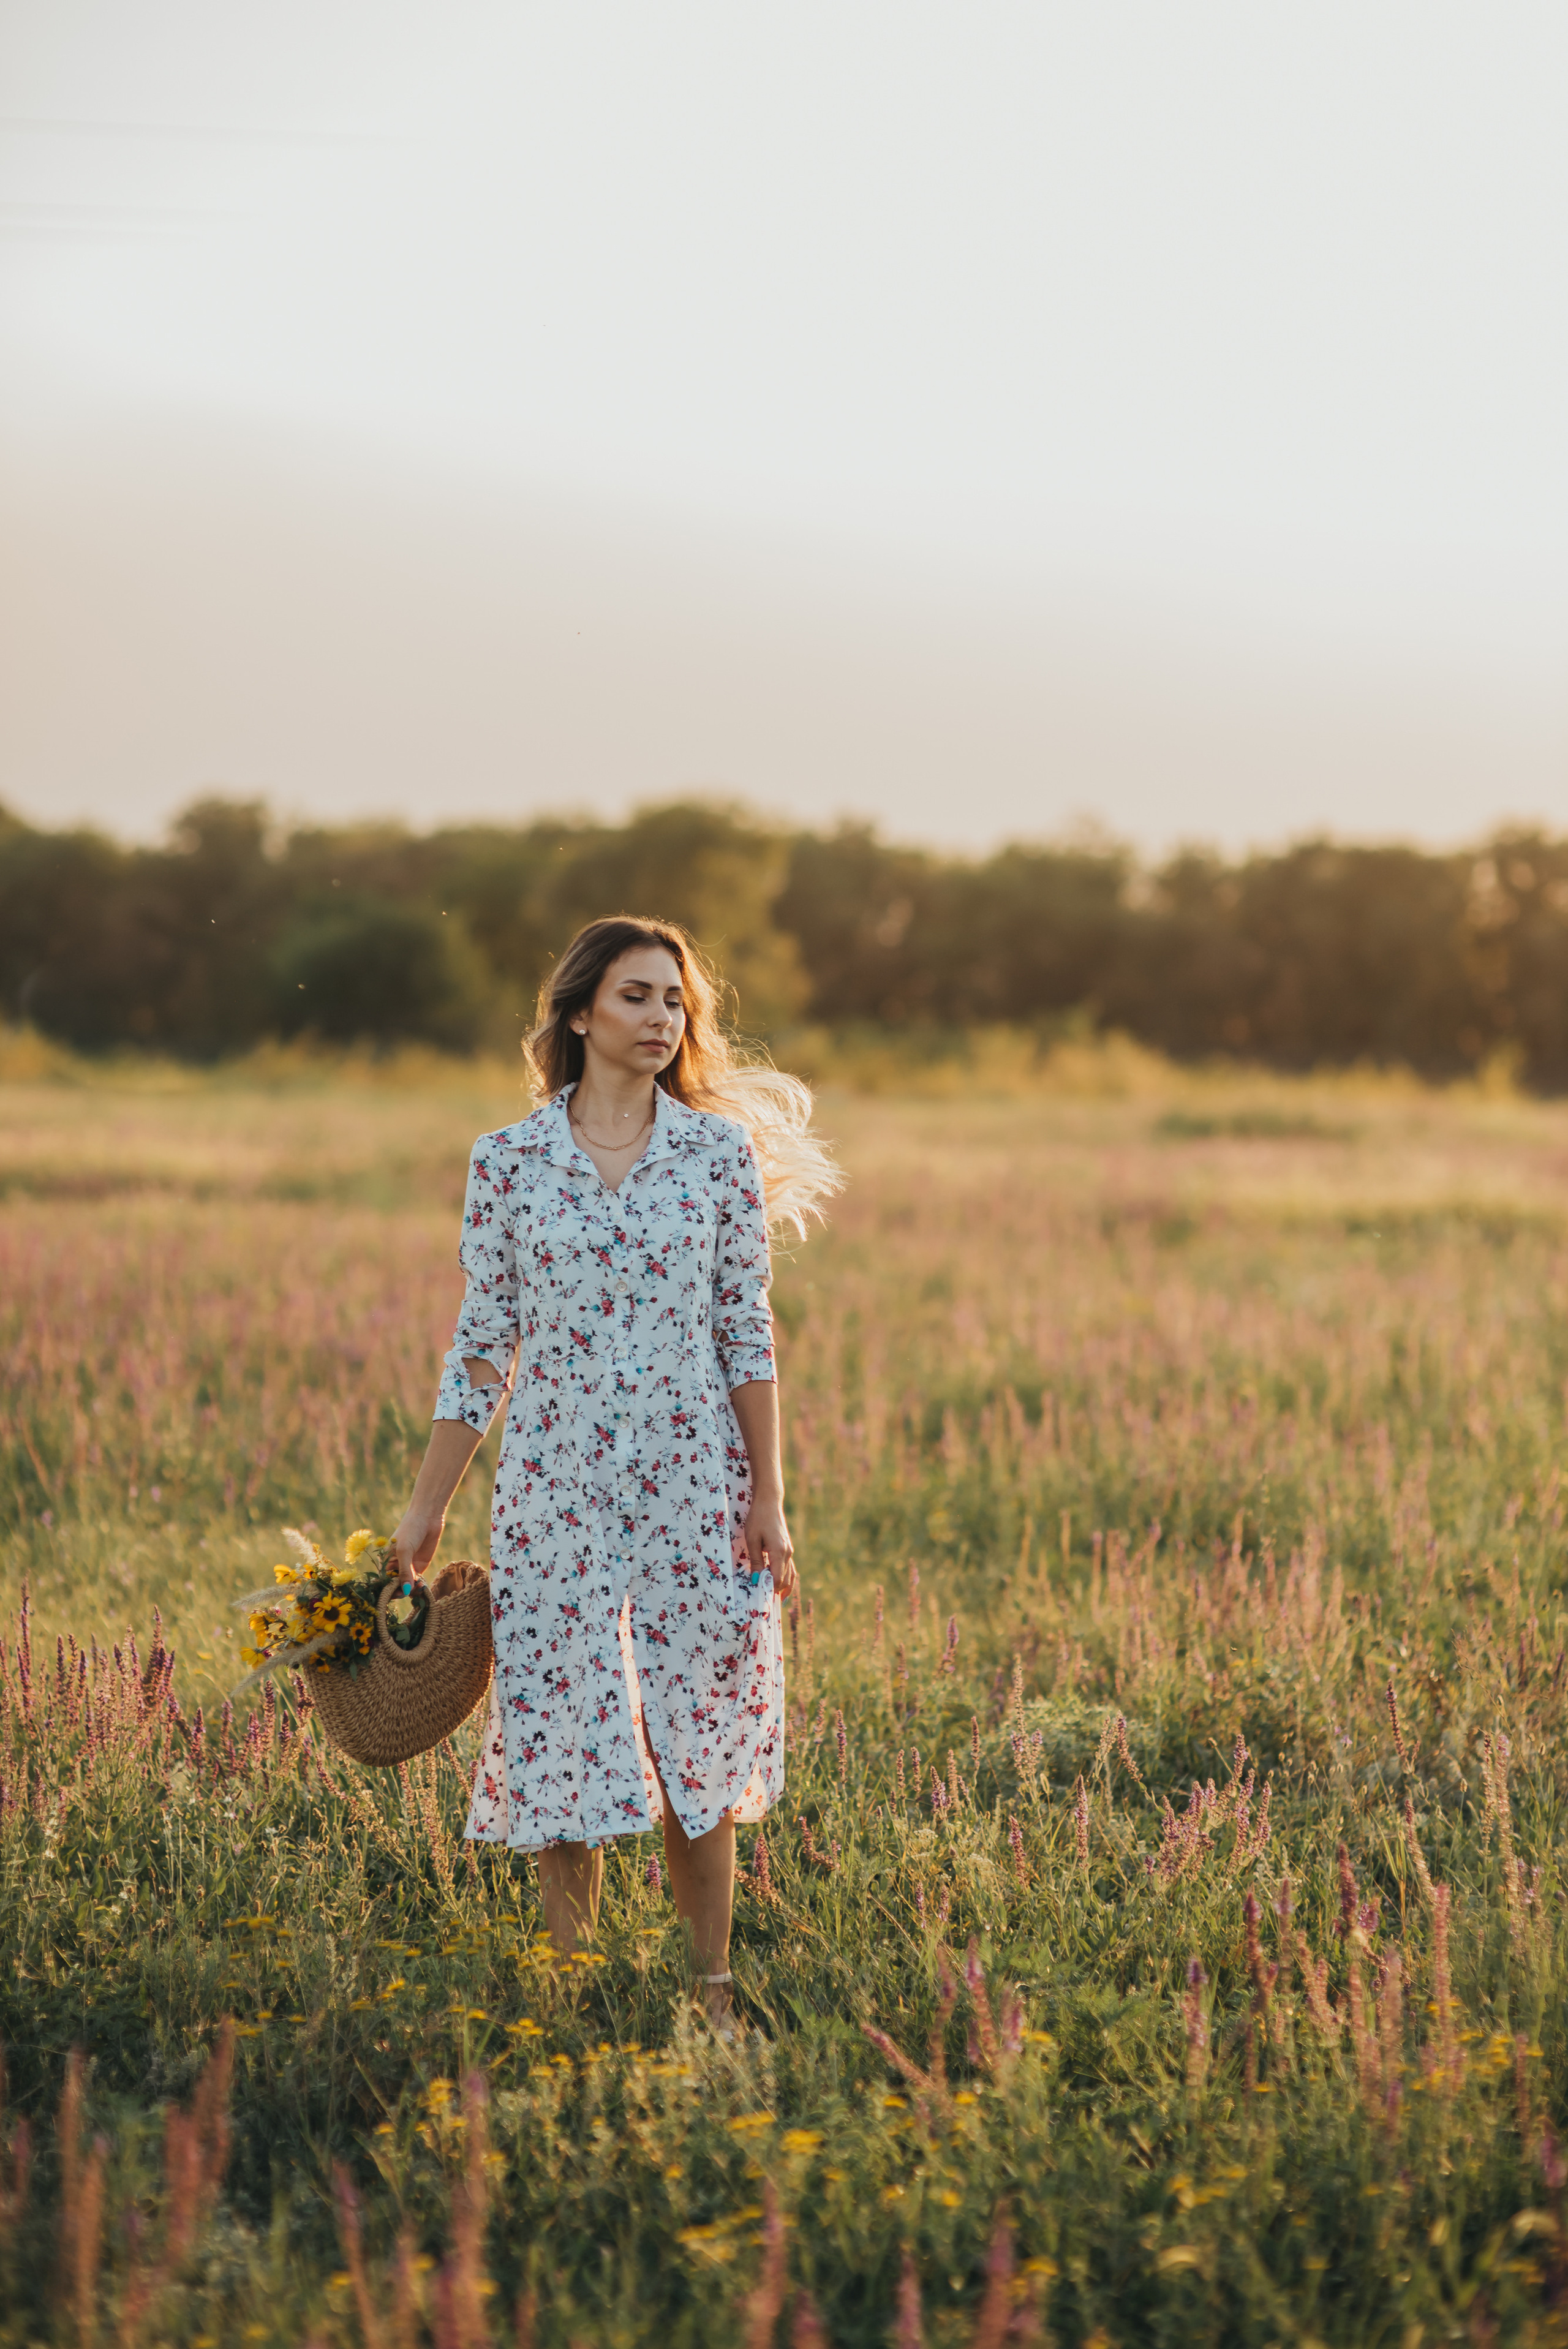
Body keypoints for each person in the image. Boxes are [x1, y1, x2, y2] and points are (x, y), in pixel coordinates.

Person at [386, 916, 839, 2027]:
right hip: (555, 1489)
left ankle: (714, 1990)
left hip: (700, 1485)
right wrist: (425, 1507)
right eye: (637, 996)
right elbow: (484, 1345)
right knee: (562, 1733)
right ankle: (570, 1993)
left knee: (701, 1735)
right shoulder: (508, 1161)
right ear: (581, 1010)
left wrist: (769, 1499)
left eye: (676, 1002)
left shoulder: (715, 1157)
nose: (662, 1019)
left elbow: (748, 1333)